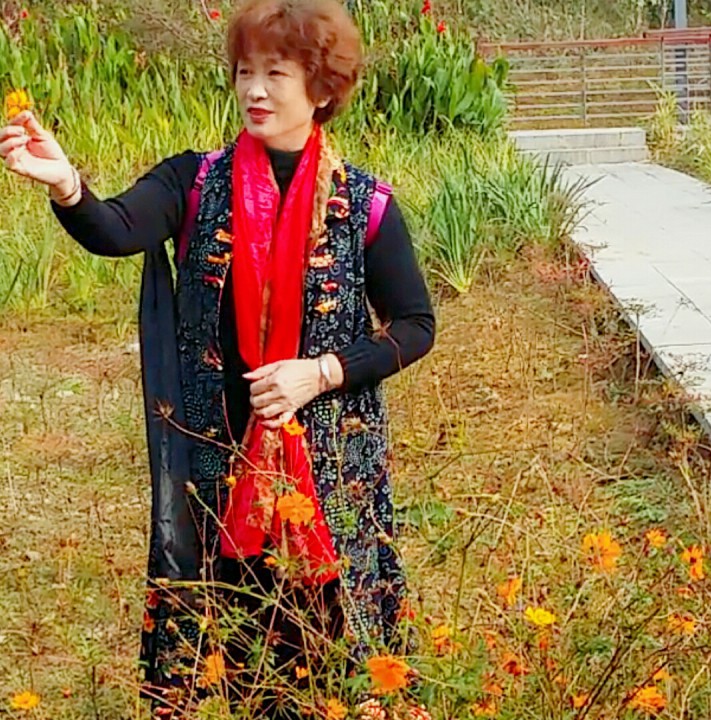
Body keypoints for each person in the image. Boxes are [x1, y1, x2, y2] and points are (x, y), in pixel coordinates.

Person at [0, 0, 435, 716]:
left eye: (275, 74)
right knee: (235, 652)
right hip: (219, 460)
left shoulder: (364, 206)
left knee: (339, 658)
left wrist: (321, 372)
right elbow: (115, 229)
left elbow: (415, 326)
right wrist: (67, 185)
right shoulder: (195, 183)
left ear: (321, 88)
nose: (254, 90)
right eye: (243, 72)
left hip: (329, 466)